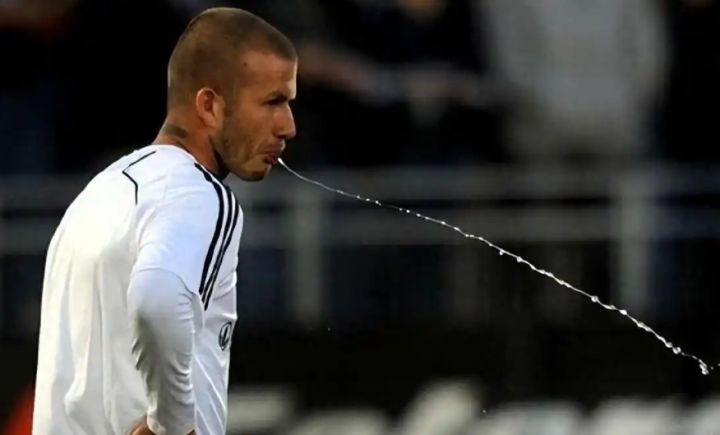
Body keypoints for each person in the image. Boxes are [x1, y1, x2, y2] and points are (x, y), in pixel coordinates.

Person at [32, 7, 297, 435]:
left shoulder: (95, 196)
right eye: (272, 102)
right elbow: (157, 297)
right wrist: (172, 423)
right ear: (209, 105)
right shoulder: (199, 194)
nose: (288, 127)